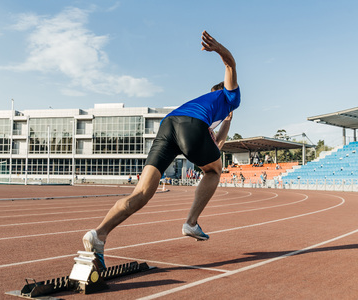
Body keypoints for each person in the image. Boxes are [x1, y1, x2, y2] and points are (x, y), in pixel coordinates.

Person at [82, 30, 240, 268]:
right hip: (189, 127)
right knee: (215, 172)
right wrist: (218, 48)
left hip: (169, 125)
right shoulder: (230, 97)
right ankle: (191, 222)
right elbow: (230, 64)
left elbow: (214, 145)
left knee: (142, 193)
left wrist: (226, 121)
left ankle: (99, 234)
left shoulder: (207, 109)